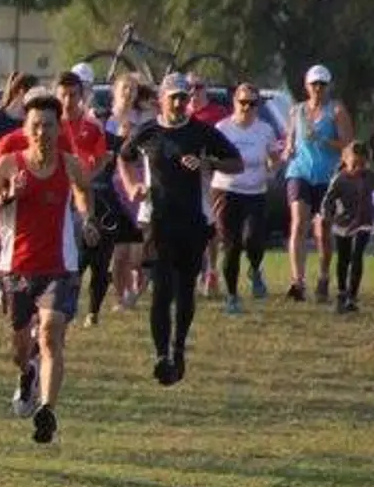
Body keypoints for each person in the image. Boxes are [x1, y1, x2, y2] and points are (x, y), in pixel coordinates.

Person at [0, 94, 96, 444]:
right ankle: (27, 372)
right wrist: (7, 197)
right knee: (19, 347)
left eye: (48, 125)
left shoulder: (70, 164)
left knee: (50, 333)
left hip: (59, 267)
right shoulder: (9, 165)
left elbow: (84, 191)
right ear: (25, 130)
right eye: (35, 126)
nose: (42, 131)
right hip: (16, 269)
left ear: (59, 129)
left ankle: (47, 410)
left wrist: (86, 218)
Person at [120, 74, 240, 387]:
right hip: (157, 221)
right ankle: (161, 355)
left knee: (185, 289)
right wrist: (133, 185)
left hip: (193, 221)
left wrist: (207, 164)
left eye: (183, 98)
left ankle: (179, 347)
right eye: (173, 97)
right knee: (161, 289)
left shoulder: (201, 132)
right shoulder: (148, 131)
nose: (178, 103)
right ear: (161, 98)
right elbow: (124, 157)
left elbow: (236, 163)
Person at [282, 65, 353, 303]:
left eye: (322, 84)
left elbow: (348, 145)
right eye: (314, 84)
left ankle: (323, 277)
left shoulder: (336, 110)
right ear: (306, 85)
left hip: (327, 176)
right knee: (298, 223)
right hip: (300, 172)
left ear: (328, 86)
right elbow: (290, 141)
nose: (318, 89)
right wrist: (286, 151)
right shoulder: (297, 111)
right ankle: (297, 281)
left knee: (322, 229)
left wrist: (323, 139)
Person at [211, 84, 281, 314]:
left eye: (252, 104)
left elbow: (273, 158)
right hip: (226, 190)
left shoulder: (265, 130)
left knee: (253, 239)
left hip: (255, 192)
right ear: (234, 103)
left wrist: (274, 164)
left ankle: (255, 268)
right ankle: (232, 296)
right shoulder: (222, 128)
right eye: (243, 103)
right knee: (231, 246)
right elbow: (212, 159)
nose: (247, 108)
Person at [320, 143, 372, 313]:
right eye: (354, 164)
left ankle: (352, 295)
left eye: (362, 165)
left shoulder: (370, 177)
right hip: (343, 224)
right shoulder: (339, 179)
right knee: (344, 258)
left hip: (364, 222)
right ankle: (342, 291)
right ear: (345, 160)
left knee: (357, 255)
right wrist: (326, 216)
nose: (358, 169)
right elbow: (327, 201)